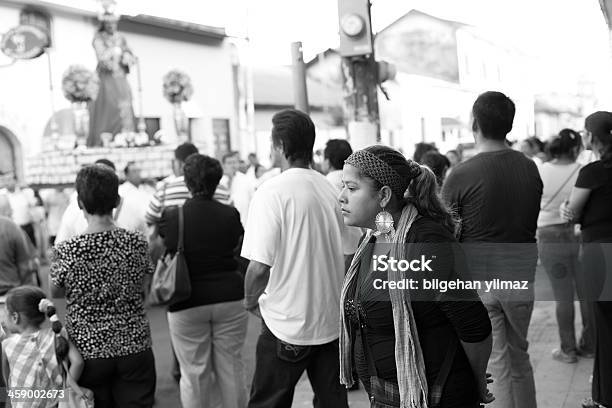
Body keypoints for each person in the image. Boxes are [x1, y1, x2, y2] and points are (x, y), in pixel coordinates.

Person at [339, 145, 493, 407]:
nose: (341, 196)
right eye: (343, 187)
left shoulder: (424, 242)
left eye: (352, 189)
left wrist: (477, 379)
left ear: (384, 195)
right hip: (391, 396)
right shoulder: (375, 237)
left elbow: (473, 324)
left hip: (435, 396)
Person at [241, 109, 348, 408]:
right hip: (329, 321)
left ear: (280, 147)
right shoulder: (330, 189)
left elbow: (259, 266)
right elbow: (350, 253)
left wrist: (250, 301)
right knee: (333, 403)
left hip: (285, 323)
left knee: (268, 403)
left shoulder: (271, 191)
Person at [442, 91, 542, 408]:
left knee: (496, 362)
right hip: (521, 275)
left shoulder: (460, 174)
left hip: (481, 278)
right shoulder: (529, 168)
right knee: (519, 355)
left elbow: (446, 231)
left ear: (474, 123)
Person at [50, 164, 156, 408]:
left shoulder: (67, 250)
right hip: (135, 344)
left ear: (79, 202)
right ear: (118, 201)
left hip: (87, 351)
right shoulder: (137, 242)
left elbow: (55, 291)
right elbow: (143, 283)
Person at [160, 154, 248, 408]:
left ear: (187, 182)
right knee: (231, 368)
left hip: (186, 300)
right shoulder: (231, 214)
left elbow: (163, 250)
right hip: (230, 297)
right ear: (217, 181)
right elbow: (239, 250)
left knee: (194, 373)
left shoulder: (173, 216)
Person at [560, 111, 612, 408]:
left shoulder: (593, 172)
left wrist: (570, 208)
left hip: (600, 254)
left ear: (592, 136)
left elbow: (574, 211)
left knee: (604, 325)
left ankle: (603, 398)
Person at [537, 129, 593, 363]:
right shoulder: (584, 171)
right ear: (574, 148)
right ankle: (589, 346)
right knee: (586, 294)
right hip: (579, 234)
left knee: (563, 296)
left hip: (549, 234)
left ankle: (567, 350)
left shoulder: (542, 169)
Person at [2, 286, 87, 408]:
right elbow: (78, 362)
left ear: (15, 317)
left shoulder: (7, 345)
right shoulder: (57, 335)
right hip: (55, 404)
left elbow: (8, 383)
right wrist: (66, 389)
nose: (3, 320)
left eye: (5, 314)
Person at [55, 159, 147, 243]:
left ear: (79, 203)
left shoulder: (69, 251)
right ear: (117, 201)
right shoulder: (136, 244)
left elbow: (59, 244)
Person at [88, 9, 136, 146]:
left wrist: (126, 56)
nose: (111, 26)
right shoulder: (99, 37)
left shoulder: (121, 37)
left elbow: (129, 52)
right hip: (107, 78)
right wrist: (113, 52)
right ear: (103, 24)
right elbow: (101, 57)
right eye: (108, 23)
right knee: (110, 105)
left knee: (126, 104)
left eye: (113, 23)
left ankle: (127, 136)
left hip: (120, 77)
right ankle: (108, 138)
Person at [322, 139, 363, 267]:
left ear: (327, 162)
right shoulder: (360, 182)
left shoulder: (324, 185)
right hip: (360, 245)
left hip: (337, 253)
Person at [219, 151, 254, 226]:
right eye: (229, 163)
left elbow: (253, 200)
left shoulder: (246, 180)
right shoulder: (219, 182)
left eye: (234, 162)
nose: (232, 165)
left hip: (244, 221)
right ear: (224, 165)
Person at [0, 216, 33, 295]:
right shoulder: (11, 227)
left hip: (10, 293)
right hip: (11, 293)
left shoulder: (11, 227)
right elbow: (24, 266)